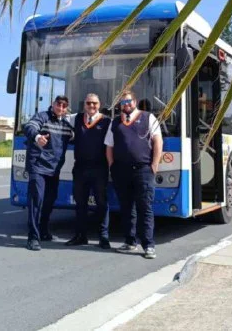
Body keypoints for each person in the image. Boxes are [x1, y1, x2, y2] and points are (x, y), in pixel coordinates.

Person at [105, 89, 163, 259]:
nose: (126, 104)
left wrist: (154, 165)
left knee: (145, 208)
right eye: (123, 102)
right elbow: (109, 146)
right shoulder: (115, 122)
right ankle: (130, 242)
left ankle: (149, 245)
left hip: (143, 171)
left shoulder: (148, 117)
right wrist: (112, 166)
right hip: (121, 171)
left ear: (135, 102)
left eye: (128, 101)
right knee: (126, 208)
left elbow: (158, 141)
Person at [22, 95, 74, 251]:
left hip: (54, 169)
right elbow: (29, 127)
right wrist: (37, 137)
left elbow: (78, 137)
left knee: (49, 201)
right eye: (59, 104)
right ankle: (33, 238)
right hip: (38, 166)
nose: (61, 108)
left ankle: (43, 231)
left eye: (64, 106)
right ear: (53, 104)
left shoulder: (66, 126)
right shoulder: (42, 117)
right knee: (36, 200)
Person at [65, 93, 112, 249]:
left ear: (99, 105)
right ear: (84, 105)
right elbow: (59, 118)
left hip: (100, 169)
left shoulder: (107, 121)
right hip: (80, 168)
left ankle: (103, 237)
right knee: (80, 204)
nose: (92, 106)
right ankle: (80, 236)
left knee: (102, 204)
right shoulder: (76, 118)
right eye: (88, 103)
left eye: (95, 103)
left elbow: (112, 144)